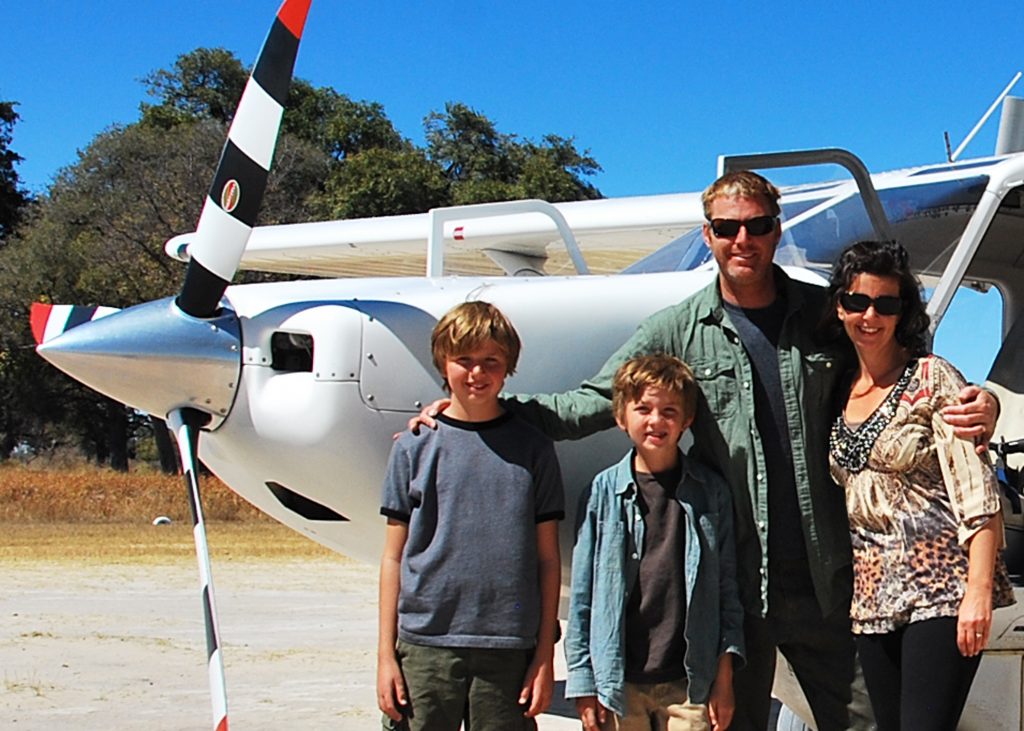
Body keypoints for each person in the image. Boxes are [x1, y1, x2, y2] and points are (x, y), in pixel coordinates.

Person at [412, 170, 998, 730]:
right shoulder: (678, 329)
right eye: (726, 227)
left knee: (871, 725)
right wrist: (479, 412)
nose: (742, 239)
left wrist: (984, 403)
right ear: (707, 235)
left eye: (758, 224)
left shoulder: (824, 312)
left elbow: (901, 369)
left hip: (831, 583)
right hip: (737, 586)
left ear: (776, 229)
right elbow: (592, 403)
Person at [820, 240, 1014, 731]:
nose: (871, 316)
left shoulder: (933, 378)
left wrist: (978, 592)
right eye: (858, 302)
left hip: (942, 592)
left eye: (886, 304)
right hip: (873, 601)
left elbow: (979, 493)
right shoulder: (836, 388)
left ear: (902, 312)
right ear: (840, 306)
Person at [377, 301, 565, 731]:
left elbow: (548, 559)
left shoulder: (534, 450)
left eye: (490, 362)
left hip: (508, 647)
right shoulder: (413, 447)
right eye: (464, 360)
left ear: (508, 367)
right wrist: (386, 655)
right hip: (425, 645)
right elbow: (392, 557)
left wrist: (543, 656)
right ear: (443, 363)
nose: (477, 373)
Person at [565, 354, 745, 731]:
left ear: (687, 420)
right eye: (643, 408)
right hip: (620, 683)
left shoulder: (710, 493)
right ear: (620, 416)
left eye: (668, 411)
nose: (655, 421)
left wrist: (724, 679)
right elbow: (582, 596)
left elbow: (727, 590)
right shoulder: (602, 494)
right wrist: (584, 684)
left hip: (688, 684)